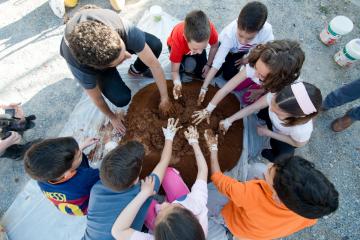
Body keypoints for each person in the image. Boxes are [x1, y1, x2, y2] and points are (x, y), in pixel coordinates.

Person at [206, 128, 339, 239]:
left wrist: (213, 148)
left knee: (207, 197)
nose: (269, 164)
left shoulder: (253, 194)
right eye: (274, 166)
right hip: (261, 228)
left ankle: (221, 224)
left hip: (236, 224)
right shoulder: (312, 212)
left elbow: (218, 179)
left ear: (276, 196)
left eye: (270, 172)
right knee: (258, 169)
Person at [61, 6, 172, 134]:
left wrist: (164, 98)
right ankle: (112, 68)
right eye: (121, 60)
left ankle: (135, 70)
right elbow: (97, 98)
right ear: (103, 67)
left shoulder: (120, 27)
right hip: (93, 60)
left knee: (155, 45)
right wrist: (112, 117)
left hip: (106, 29)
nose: (129, 56)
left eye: (124, 51)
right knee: (121, 98)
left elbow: (154, 64)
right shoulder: (81, 67)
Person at [83, 118, 181, 240]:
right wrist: (169, 136)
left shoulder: (97, 188)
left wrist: (109, 144)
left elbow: (113, 166)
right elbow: (164, 161)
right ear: (136, 179)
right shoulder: (144, 189)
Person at [111, 126, 209, 240]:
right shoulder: (197, 205)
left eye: (160, 214)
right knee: (167, 173)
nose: (161, 204)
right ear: (191, 215)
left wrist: (143, 194)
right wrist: (194, 142)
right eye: (171, 206)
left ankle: (154, 212)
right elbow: (203, 170)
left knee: (142, 201)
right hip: (186, 204)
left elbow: (117, 231)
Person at [192, 40, 305, 125]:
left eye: (261, 75)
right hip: (267, 83)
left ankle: (261, 86)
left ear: (275, 79)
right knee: (236, 87)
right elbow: (226, 88)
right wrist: (208, 109)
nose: (255, 74)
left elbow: (254, 107)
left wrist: (228, 121)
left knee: (247, 100)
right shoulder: (259, 64)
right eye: (256, 68)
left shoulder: (283, 89)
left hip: (269, 87)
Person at [219, 82, 322, 162]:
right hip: (271, 122)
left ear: (295, 116)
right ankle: (265, 119)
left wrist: (269, 133)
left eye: (278, 113)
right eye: (272, 104)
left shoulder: (301, 130)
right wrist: (229, 120)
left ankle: (268, 153)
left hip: (282, 134)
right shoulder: (277, 96)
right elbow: (253, 107)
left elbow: (297, 143)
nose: (272, 110)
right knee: (263, 112)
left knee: (282, 158)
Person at [198, 1, 274, 105]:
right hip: (227, 48)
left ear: (259, 30)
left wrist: (247, 59)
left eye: (249, 38)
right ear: (238, 23)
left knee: (228, 76)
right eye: (240, 35)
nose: (242, 41)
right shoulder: (229, 34)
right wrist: (204, 87)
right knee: (216, 72)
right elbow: (217, 62)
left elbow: (264, 51)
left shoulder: (266, 32)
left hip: (240, 53)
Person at [24, 137, 99, 216]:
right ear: (68, 173)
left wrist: (79, 147)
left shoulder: (42, 179)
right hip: (90, 207)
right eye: (79, 154)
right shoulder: (85, 177)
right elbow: (107, 175)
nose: (80, 151)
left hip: (73, 204)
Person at [167, 10, 219, 100]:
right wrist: (177, 82)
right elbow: (174, 71)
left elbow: (214, 46)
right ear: (186, 38)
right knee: (183, 76)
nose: (199, 52)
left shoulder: (209, 29)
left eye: (204, 47)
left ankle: (194, 53)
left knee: (202, 74)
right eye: (195, 49)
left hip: (190, 46)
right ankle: (185, 65)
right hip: (179, 48)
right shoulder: (178, 41)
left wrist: (208, 64)